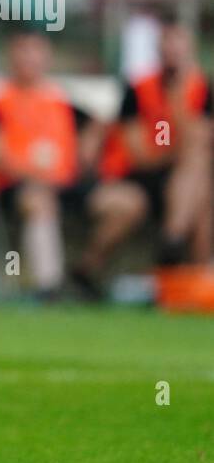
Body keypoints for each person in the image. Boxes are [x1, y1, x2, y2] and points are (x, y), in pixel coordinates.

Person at [78, 21, 213, 286]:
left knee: (202, 188)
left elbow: (202, 139)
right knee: (197, 174)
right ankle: (174, 252)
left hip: (184, 182)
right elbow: (141, 154)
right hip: (138, 177)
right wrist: (180, 141)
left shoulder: (203, 90)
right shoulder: (138, 91)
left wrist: (179, 110)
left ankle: (183, 264)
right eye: (167, 45)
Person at [0, 31, 100, 300]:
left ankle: (86, 274)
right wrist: (34, 174)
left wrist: (85, 152)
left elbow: (97, 125)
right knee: (39, 202)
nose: (29, 59)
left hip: (65, 185)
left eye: (35, 52)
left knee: (122, 203)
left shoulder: (60, 99)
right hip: (17, 188)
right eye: (23, 51)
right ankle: (49, 287)